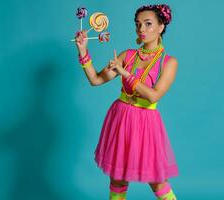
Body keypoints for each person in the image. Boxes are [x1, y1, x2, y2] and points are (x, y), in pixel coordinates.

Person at [75, 4, 178, 200]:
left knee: (157, 180)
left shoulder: (169, 62)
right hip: (121, 117)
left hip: (146, 122)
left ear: (161, 26)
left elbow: (153, 96)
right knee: (117, 178)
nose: (141, 29)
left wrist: (125, 73)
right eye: (138, 24)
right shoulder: (128, 55)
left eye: (148, 24)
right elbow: (96, 80)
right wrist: (83, 51)